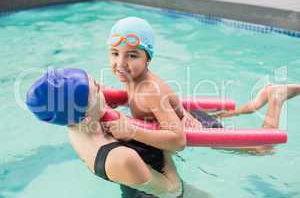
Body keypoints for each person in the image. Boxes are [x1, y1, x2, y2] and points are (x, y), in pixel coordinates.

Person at [26, 68, 184, 198]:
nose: (103, 87)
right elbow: (172, 190)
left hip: (134, 174)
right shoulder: (121, 158)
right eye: (97, 89)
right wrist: (162, 143)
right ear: (86, 117)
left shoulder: (77, 123)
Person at [104, 16, 222, 151]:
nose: (120, 63)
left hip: (205, 130)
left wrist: (131, 131)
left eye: (132, 55)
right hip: (188, 115)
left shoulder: (150, 91)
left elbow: (179, 141)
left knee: (248, 149)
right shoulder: (132, 77)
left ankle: (248, 108)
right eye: (115, 53)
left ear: (148, 58)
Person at [213, 84, 300, 154]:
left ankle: (275, 97)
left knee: (264, 147)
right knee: (263, 147)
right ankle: (264, 98)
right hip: (202, 119)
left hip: (203, 123)